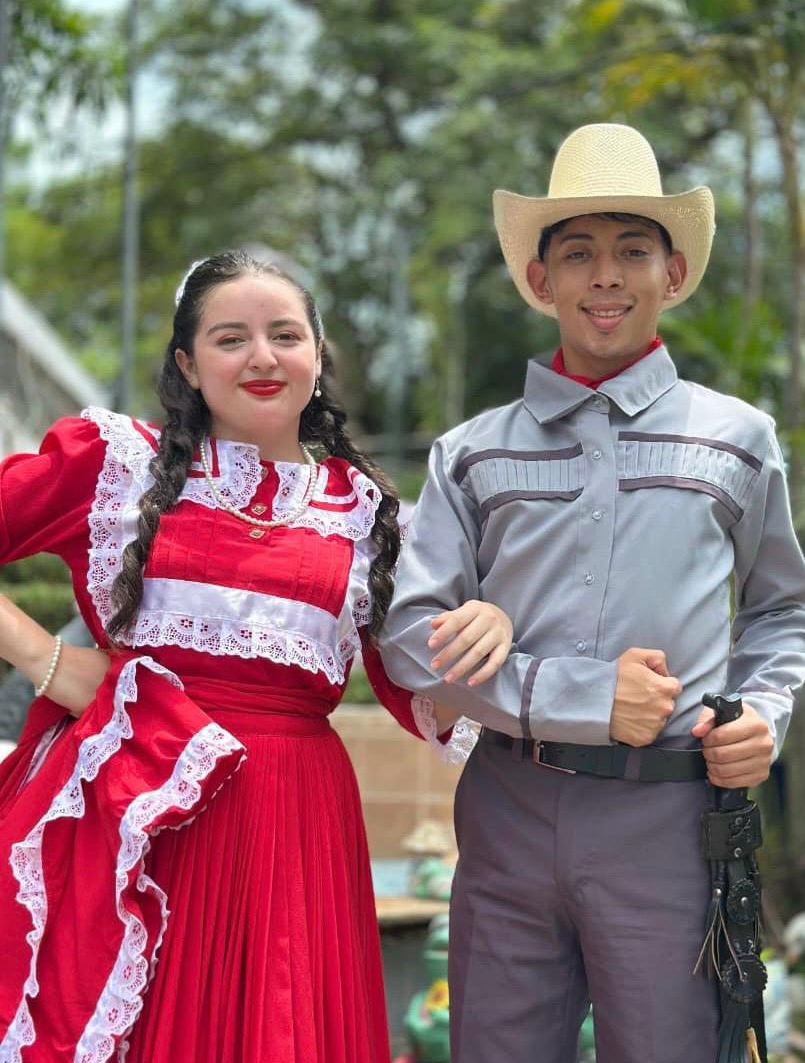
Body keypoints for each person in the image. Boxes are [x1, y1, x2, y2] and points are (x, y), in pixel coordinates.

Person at [0, 250, 514, 1063]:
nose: (262, 357)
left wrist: (487, 626)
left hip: (294, 818)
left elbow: (421, 695)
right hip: (139, 799)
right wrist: (50, 662)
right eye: (229, 337)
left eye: (284, 334)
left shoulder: (371, 517)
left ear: (317, 355)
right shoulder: (116, 466)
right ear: (187, 363)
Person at [379, 122, 805, 1063]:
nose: (603, 276)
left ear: (674, 272)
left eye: (630, 251)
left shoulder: (735, 440)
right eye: (576, 253)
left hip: (670, 817)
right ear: (541, 282)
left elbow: (781, 609)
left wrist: (765, 713)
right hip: (506, 808)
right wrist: (575, 694)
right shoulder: (470, 453)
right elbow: (408, 638)